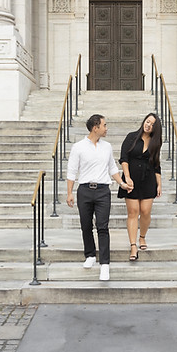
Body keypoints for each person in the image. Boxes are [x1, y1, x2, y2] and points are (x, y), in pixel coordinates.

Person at [66, 114, 130, 281]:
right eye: (104, 125)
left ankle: (105, 264)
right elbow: (72, 171)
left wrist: (122, 183)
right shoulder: (78, 147)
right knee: (86, 225)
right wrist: (69, 193)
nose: (106, 128)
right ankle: (90, 255)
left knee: (102, 226)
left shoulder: (107, 146)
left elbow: (112, 168)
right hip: (85, 190)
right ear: (95, 127)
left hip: (103, 191)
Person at [118, 113, 162, 261]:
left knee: (145, 211)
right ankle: (133, 246)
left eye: (151, 124)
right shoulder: (131, 136)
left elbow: (156, 164)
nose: (148, 125)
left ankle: (142, 236)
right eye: (147, 121)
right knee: (133, 212)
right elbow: (124, 158)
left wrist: (159, 184)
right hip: (132, 178)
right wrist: (127, 177)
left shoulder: (156, 142)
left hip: (148, 179)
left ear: (155, 128)